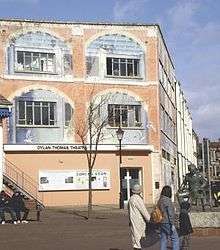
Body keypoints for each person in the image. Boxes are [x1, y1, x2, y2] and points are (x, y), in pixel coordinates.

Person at [128, 183, 150, 250]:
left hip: (133, 219)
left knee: (135, 237)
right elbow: (143, 210)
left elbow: (129, 211)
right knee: (139, 237)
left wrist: (129, 220)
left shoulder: (131, 199)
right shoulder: (138, 199)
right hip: (139, 220)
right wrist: (149, 219)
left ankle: (136, 247)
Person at [158, 185, 179, 250]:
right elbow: (170, 214)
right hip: (167, 222)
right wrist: (172, 224)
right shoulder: (168, 200)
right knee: (175, 238)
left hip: (161, 222)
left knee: (163, 239)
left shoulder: (160, 200)